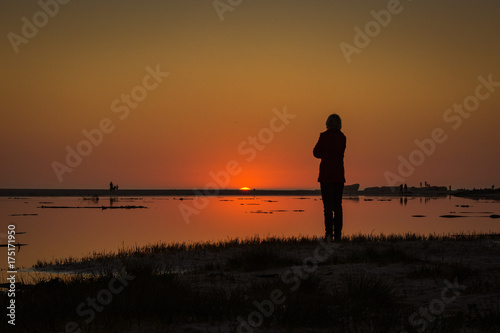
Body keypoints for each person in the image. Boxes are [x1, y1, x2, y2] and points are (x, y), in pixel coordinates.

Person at [313, 114, 346, 242]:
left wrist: (324, 155)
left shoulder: (324, 136)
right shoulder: (342, 137)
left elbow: (315, 152)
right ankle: (338, 235)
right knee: (337, 206)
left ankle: (328, 235)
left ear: (327, 123)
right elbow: (340, 152)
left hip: (326, 176)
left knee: (327, 207)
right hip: (338, 175)